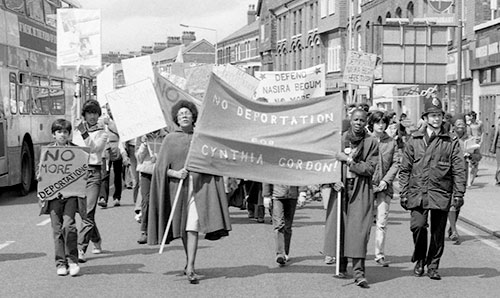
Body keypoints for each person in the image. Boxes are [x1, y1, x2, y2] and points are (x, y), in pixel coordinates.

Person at [147, 100, 231, 284]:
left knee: (192, 226)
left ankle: (191, 266)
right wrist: (175, 173)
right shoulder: (170, 139)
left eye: (187, 112)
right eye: (180, 113)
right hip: (178, 189)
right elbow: (160, 168)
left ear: (193, 116)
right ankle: (188, 262)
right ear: (176, 118)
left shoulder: (201, 138)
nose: (184, 115)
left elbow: (212, 162)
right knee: (185, 227)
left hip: (199, 189)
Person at [399, 96, 466, 280]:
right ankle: (420, 258)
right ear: (425, 118)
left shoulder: (450, 140)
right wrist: (403, 193)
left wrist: (459, 193)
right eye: (432, 115)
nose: (436, 118)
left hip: (441, 191)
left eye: (438, 115)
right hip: (418, 191)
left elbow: (459, 169)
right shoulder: (415, 139)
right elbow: (404, 169)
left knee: (437, 232)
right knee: (418, 226)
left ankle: (433, 266)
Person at [326, 108, 379, 288]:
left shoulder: (371, 142)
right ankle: (341, 266)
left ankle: (359, 273)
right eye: (355, 119)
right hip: (341, 189)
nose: (358, 123)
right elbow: (328, 163)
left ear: (366, 123)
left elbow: (370, 169)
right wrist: (333, 181)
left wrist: (349, 161)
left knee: (358, 232)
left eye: (362, 120)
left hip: (360, 189)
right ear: (350, 120)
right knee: (340, 227)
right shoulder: (340, 139)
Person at [38, 119, 81, 276]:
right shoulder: (47, 151)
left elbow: (82, 172)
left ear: (69, 134)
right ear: (53, 134)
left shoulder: (77, 151)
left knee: (68, 226)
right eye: (59, 132)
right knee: (57, 229)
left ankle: (73, 260)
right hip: (53, 196)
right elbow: (41, 172)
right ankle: (60, 263)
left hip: (71, 195)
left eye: (65, 132)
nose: (62, 135)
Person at [76, 99, 108, 263]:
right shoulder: (77, 130)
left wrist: (84, 134)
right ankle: (96, 239)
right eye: (89, 113)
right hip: (77, 172)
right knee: (84, 213)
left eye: (95, 113)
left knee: (88, 211)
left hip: (94, 172)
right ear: (84, 114)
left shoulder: (102, 132)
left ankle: (80, 248)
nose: (92, 116)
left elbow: (94, 148)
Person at [368, 111, 400, 267]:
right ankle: (358, 253)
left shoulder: (391, 142)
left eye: (383, 122)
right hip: (366, 186)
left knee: (381, 222)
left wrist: (386, 181)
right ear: (372, 124)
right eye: (377, 122)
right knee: (364, 222)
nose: (381, 125)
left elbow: (396, 163)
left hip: (384, 188)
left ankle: (379, 254)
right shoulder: (365, 140)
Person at [263, 183, 307, 266]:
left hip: (292, 195)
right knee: (279, 224)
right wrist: (266, 195)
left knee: (287, 226)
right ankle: (280, 253)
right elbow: (267, 175)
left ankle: (285, 252)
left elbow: (301, 173)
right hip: (277, 195)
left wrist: (302, 192)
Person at [136, 129, 166, 244]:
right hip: (146, 171)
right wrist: (143, 144)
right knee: (146, 201)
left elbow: (169, 153)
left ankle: (160, 230)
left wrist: (158, 157)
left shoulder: (165, 136)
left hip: (161, 171)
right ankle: (144, 231)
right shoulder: (142, 137)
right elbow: (139, 158)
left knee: (160, 200)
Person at [98, 105, 129, 208]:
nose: (110, 112)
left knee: (117, 174)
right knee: (104, 174)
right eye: (109, 110)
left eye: (112, 110)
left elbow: (121, 133)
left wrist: (110, 123)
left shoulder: (119, 121)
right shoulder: (102, 120)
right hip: (105, 149)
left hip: (117, 148)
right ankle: (103, 198)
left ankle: (117, 197)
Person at [448, 114, 469, 245]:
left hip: (463, 174)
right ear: (454, 125)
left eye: (463, 123)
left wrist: (472, 155)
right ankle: (454, 230)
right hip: (450, 174)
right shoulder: (448, 138)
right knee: (452, 202)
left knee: (459, 202)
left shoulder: (470, 139)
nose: (461, 126)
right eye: (458, 123)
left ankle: (452, 225)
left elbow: (478, 157)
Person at [489, 115, 500, 184]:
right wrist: (492, 146)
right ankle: (498, 179)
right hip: (498, 146)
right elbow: (493, 137)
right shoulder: (496, 127)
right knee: (499, 164)